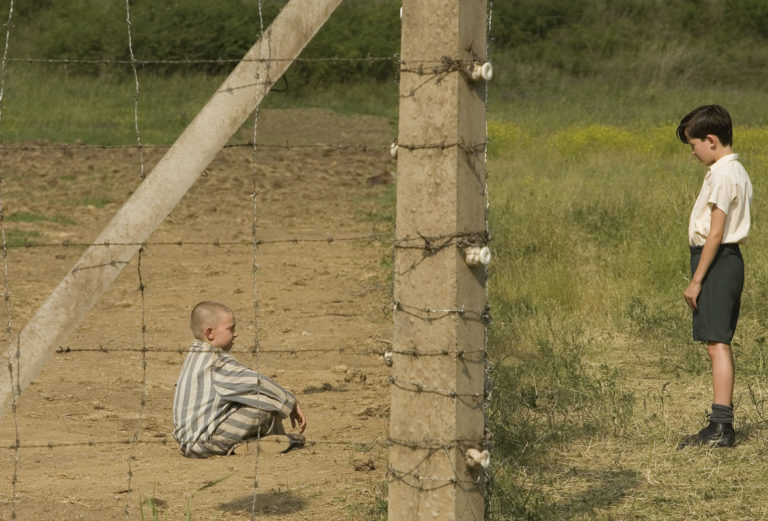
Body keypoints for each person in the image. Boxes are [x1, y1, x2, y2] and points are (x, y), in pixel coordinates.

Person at [675, 105, 753, 448]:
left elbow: (716, 233)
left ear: (711, 139)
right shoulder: (732, 171)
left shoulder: (723, 175)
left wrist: (696, 280)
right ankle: (720, 424)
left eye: (693, 145)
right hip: (721, 260)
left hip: (718, 260)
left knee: (717, 344)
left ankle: (721, 427)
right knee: (715, 342)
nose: (692, 152)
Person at [173, 301, 307, 458]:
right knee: (264, 406)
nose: (235, 333)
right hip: (205, 441)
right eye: (231, 328)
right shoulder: (216, 363)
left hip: (187, 443)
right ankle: (278, 439)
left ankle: (248, 444)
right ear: (210, 333)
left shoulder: (195, 357)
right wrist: (290, 402)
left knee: (247, 400)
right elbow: (255, 382)